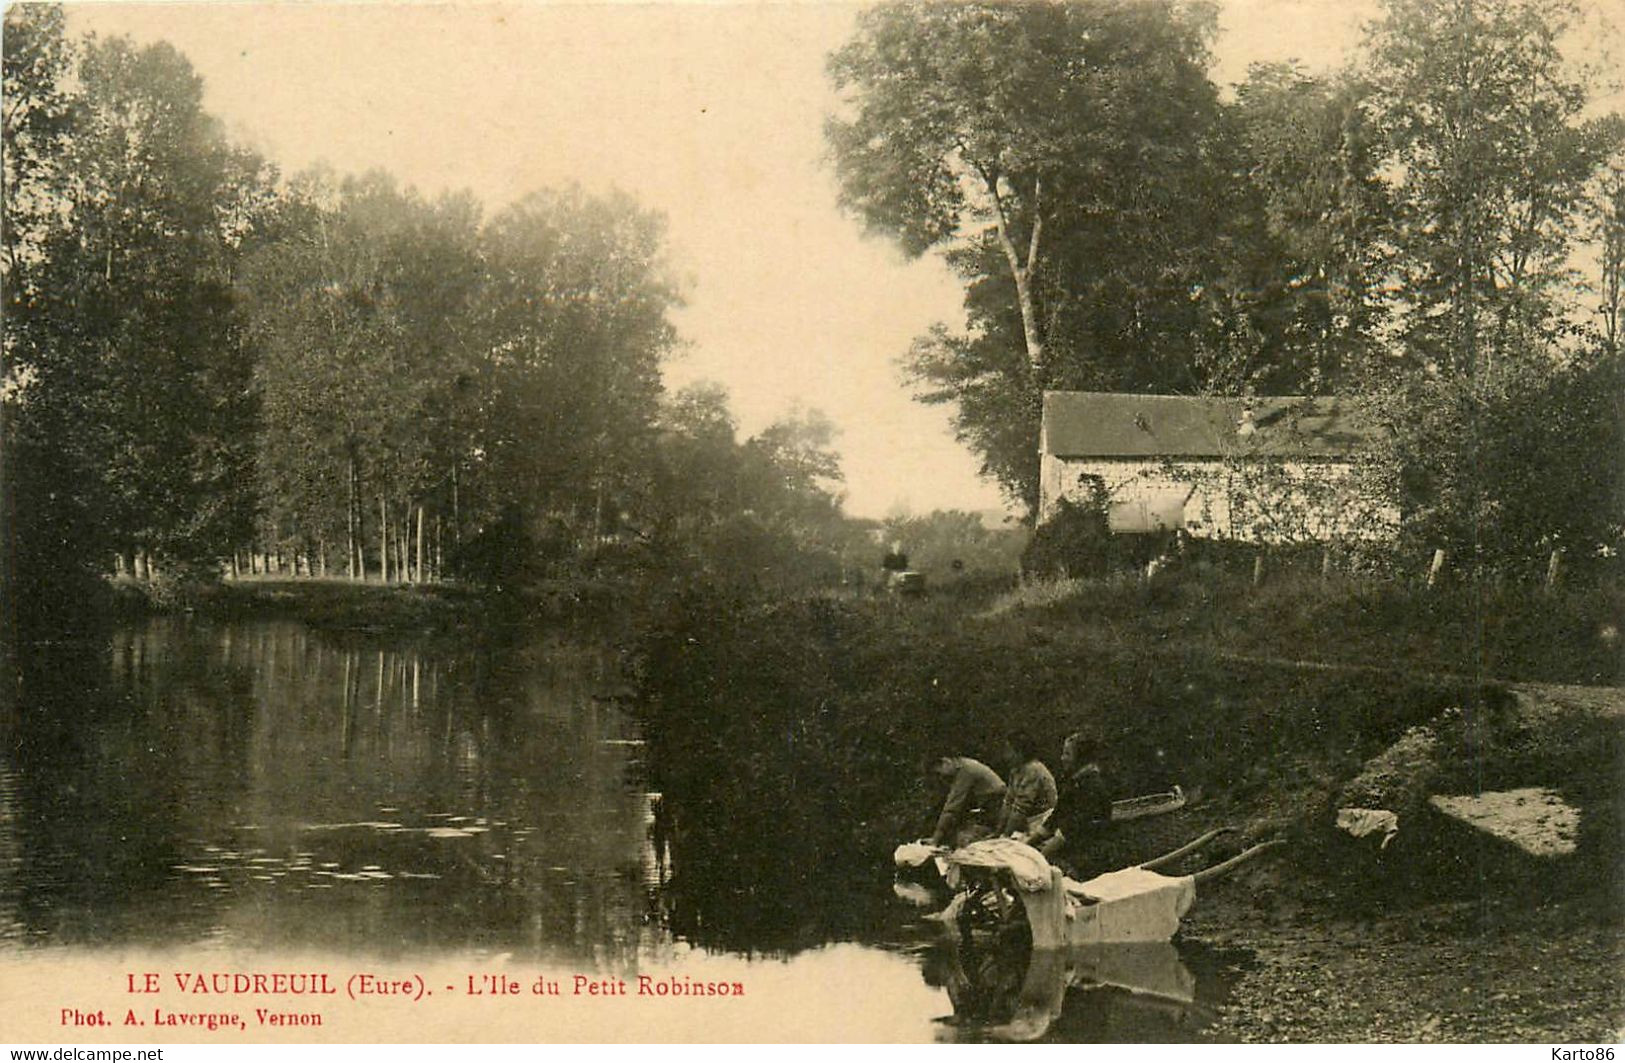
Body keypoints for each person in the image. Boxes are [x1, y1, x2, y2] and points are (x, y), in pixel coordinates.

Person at [1033, 732, 1113, 876]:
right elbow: (1054, 820)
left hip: (1088, 857)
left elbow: (1070, 830)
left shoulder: (1091, 787)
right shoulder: (1075, 783)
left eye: (1067, 754)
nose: (1063, 758)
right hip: (1073, 850)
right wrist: (1027, 845)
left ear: (1081, 758)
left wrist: (1038, 858)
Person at [926, 754, 1006, 847]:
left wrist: (935, 839)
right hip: (990, 805)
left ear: (945, 762)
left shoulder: (965, 771)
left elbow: (951, 808)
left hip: (995, 807)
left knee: (965, 838)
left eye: (939, 773)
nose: (941, 777)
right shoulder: (964, 764)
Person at [995, 731, 1057, 838]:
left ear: (1020, 752)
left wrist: (1005, 835)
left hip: (1043, 822)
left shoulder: (1033, 769)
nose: (1005, 756)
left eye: (1009, 751)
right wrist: (998, 832)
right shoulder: (1015, 771)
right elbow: (1008, 803)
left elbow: (1020, 808)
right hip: (1028, 824)